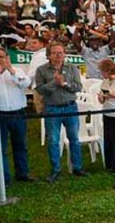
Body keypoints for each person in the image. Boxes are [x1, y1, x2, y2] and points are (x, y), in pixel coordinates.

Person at [0, 47, 34, 184]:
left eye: (1, 56)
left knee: (20, 145)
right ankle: (4, 178)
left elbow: (26, 84)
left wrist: (11, 71)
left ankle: (23, 173)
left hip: (17, 112)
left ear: (6, 57)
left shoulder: (17, 71)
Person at [34, 42, 85, 182]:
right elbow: (39, 89)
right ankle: (55, 169)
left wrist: (64, 84)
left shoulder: (72, 68)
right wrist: (54, 83)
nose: (59, 55)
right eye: (55, 53)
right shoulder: (41, 70)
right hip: (52, 109)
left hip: (70, 107)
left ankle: (77, 167)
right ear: (49, 55)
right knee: (54, 140)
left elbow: (78, 87)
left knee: (74, 138)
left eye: (61, 52)